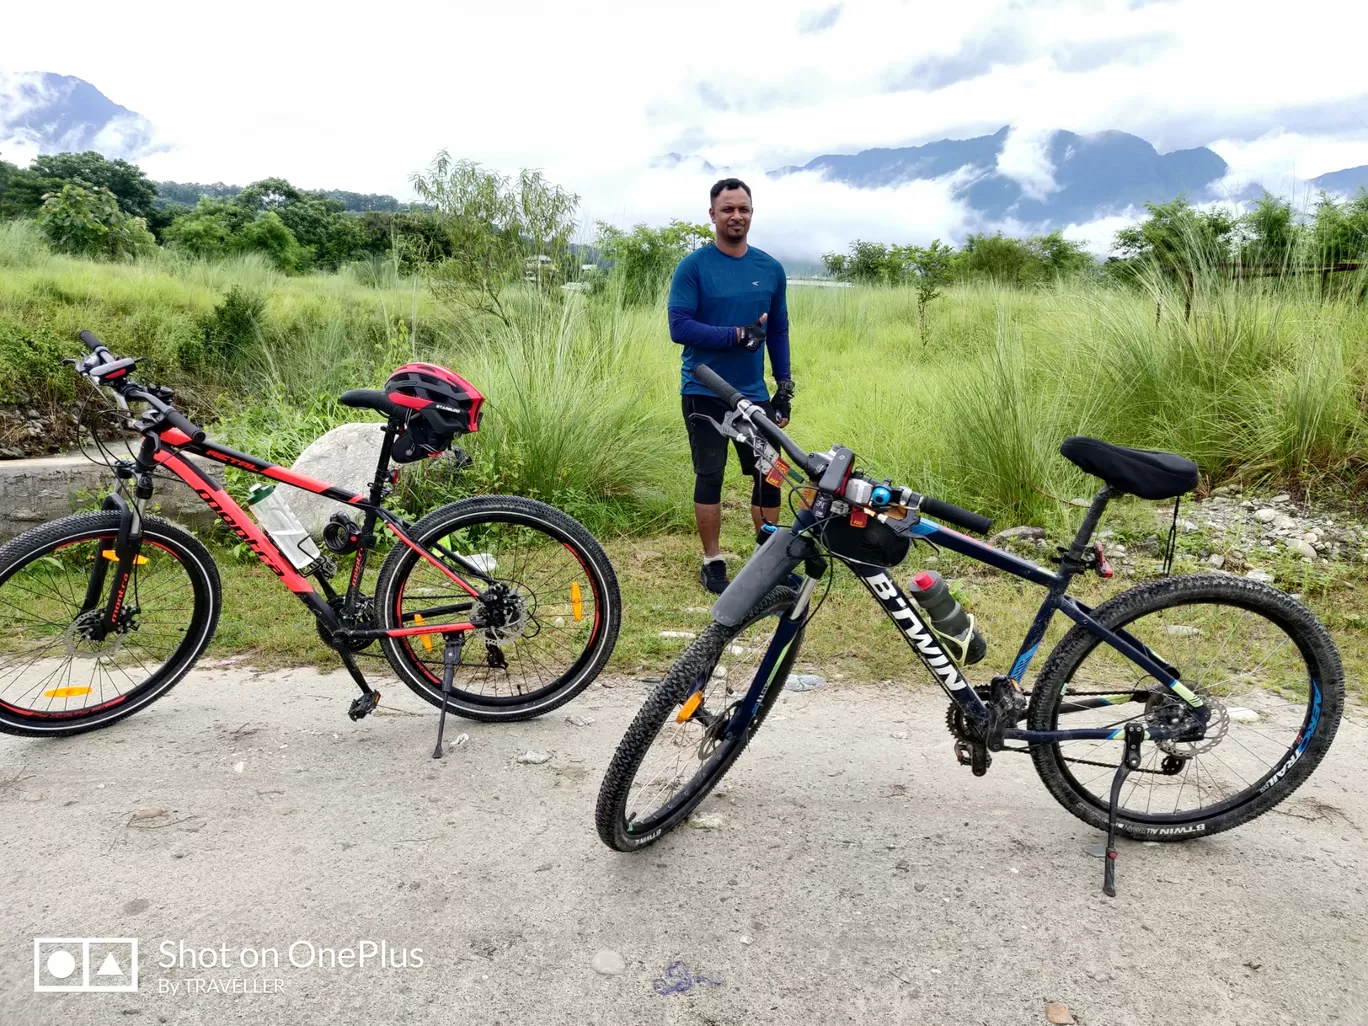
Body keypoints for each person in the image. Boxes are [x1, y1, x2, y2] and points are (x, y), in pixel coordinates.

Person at [667, 177, 795, 594]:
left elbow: (778, 330)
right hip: (704, 391)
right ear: (712, 215)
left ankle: (769, 560)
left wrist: (784, 386)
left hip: (754, 396)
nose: (736, 216)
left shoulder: (770, 269)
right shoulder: (694, 267)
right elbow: (679, 326)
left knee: (769, 476)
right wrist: (735, 336)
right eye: (727, 209)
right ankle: (712, 560)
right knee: (710, 475)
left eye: (743, 208)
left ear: (752, 213)